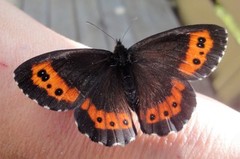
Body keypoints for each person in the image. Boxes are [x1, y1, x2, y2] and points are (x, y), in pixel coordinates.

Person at [0, 1, 239, 158]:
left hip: (123, 94)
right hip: (151, 90)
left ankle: (127, 123)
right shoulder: (149, 50)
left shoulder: (86, 61)